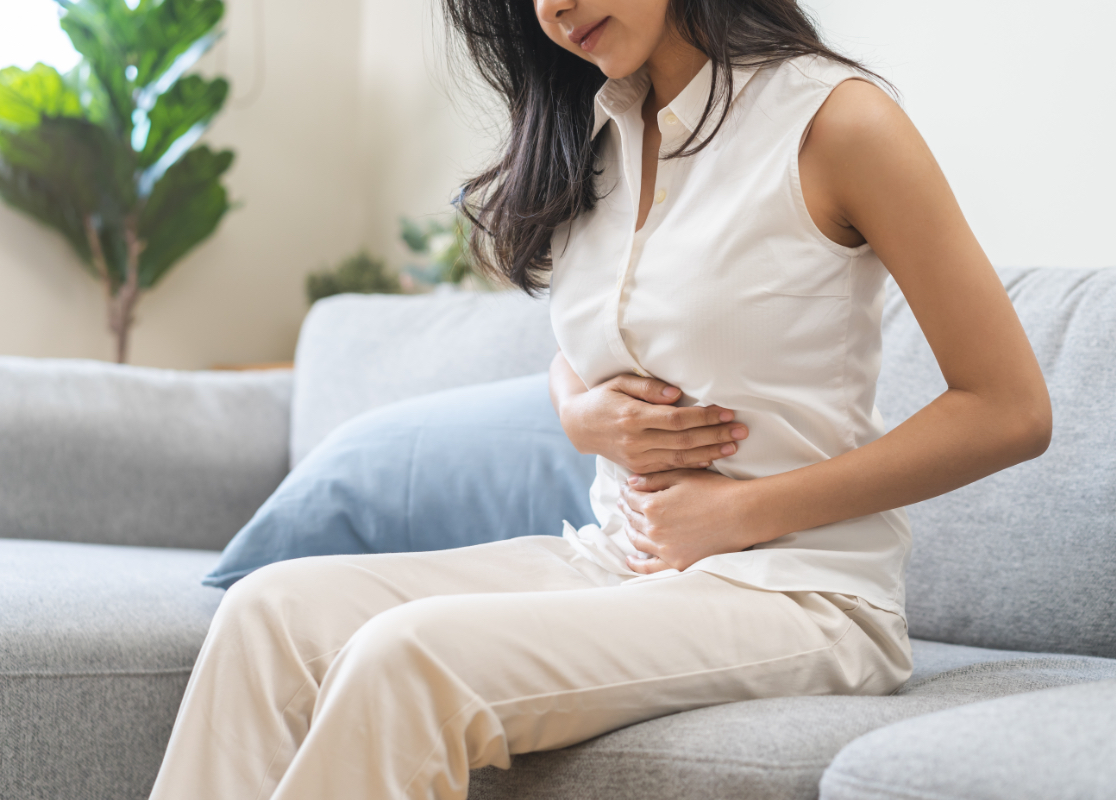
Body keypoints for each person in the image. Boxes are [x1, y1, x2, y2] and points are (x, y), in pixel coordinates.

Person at [149, 1, 1052, 798]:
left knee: (406, 661)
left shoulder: (837, 121)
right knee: (268, 613)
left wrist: (741, 514)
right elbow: (584, 350)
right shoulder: (596, 131)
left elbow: (1008, 408)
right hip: (613, 564)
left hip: (797, 594)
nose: (554, 6)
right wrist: (578, 413)